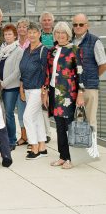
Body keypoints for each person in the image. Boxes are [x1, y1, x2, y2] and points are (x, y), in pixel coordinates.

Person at [44, 22, 84, 169]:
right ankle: (62, 156)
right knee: (59, 127)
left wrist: (80, 93)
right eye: (57, 32)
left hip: (68, 93)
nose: (60, 35)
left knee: (69, 126)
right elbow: (48, 73)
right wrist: (45, 91)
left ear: (68, 34)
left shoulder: (75, 49)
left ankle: (71, 158)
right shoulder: (52, 51)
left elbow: (80, 72)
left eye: (63, 33)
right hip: (54, 92)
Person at [72, 13, 106, 133]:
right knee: (76, 121)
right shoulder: (70, 41)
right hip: (72, 88)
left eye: (81, 24)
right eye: (75, 24)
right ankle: (78, 148)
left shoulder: (95, 41)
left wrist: (93, 77)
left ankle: (92, 149)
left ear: (87, 25)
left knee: (90, 120)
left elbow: (103, 64)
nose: (78, 27)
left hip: (89, 88)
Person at [19, 22, 48, 160]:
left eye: (34, 32)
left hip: (38, 89)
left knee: (27, 117)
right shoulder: (26, 49)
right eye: (29, 32)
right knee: (36, 118)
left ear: (39, 34)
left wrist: (45, 90)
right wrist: (22, 87)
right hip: (28, 88)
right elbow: (23, 69)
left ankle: (34, 146)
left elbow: (46, 72)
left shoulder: (43, 50)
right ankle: (42, 146)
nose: (31, 34)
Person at [0, 24, 23, 149]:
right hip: (0, 86)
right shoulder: (2, 49)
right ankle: (3, 138)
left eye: (10, 34)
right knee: (2, 114)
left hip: (11, 88)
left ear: (15, 35)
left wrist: (4, 83)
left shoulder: (19, 50)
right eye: (5, 34)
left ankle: (12, 140)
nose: (7, 36)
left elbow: (17, 72)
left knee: (9, 114)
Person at [15, 18, 30, 145]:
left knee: (30, 111)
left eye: (24, 26)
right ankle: (23, 136)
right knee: (20, 110)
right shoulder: (14, 44)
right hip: (16, 81)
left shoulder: (32, 44)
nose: (21, 29)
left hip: (29, 81)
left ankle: (32, 136)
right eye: (19, 27)